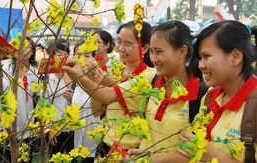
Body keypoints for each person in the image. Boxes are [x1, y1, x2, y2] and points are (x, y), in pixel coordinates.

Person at [63, 21, 156, 156]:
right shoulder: (115, 71)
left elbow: (110, 95)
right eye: (119, 42)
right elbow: (96, 111)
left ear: (145, 48)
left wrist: (83, 78)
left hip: (130, 150)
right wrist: (96, 80)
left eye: (128, 44)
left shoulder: (148, 75)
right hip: (107, 146)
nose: (121, 48)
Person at [125, 20, 207, 162]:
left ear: (182, 52)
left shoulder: (202, 95)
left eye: (159, 52)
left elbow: (200, 153)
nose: (153, 59)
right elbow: (109, 95)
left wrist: (154, 159)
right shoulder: (151, 83)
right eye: (151, 51)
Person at [178, 20, 257, 162]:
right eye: (200, 58)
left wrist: (211, 155)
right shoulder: (209, 97)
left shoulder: (254, 105)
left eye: (207, 56)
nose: (201, 65)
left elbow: (207, 153)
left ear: (235, 56)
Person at [1, 37, 39, 162]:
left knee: (25, 159)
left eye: (26, 46)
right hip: (7, 125)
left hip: (27, 125)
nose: (22, 50)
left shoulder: (36, 72)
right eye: (18, 46)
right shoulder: (4, 69)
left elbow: (41, 98)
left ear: (32, 51)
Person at [63, 40, 100, 163]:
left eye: (87, 56)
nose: (82, 60)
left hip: (95, 141)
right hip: (77, 140)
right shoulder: (76, 82)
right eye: (79, 56)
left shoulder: (100, 80)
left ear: (94, 59)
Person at [45, 38, 75, 157]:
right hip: (54, 126)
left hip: (71, 127)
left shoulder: (73, 74)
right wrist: (50, 129)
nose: (62, 58)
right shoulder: (46, 77)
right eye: (59, 55)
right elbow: (46, 105)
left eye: (66, 55)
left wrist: (65, 74)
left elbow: (73, 91)